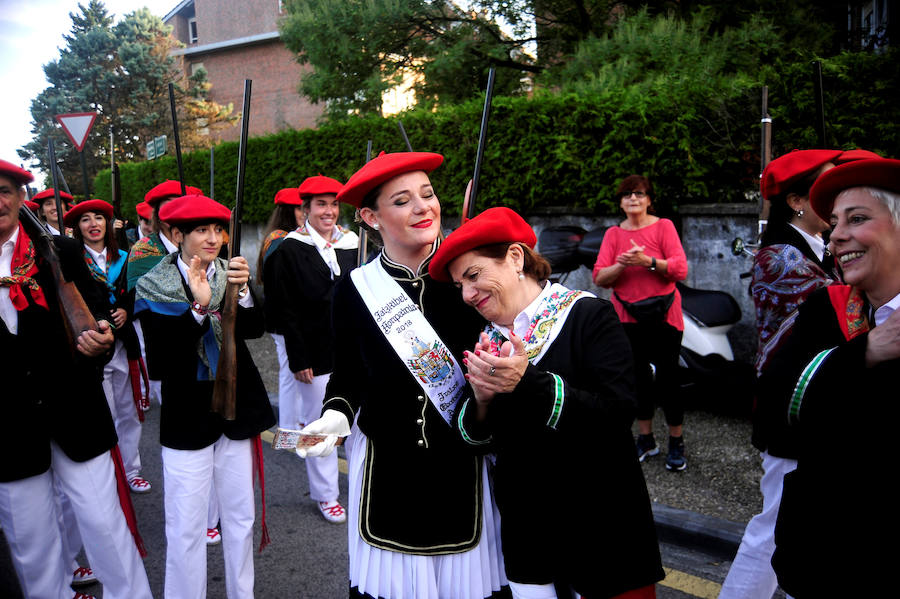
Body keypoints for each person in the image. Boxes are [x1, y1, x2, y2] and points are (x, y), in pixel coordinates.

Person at [299, 152, 508, 599]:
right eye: (403, 200)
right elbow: (348, 374)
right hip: (386, 471)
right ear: (371, 217)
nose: (423, 208)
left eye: (428, 195)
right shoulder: (354, 291)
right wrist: (335, 417)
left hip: (462, 466)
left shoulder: (467, 279)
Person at [429, 207, 664, 599]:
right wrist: (483, 400)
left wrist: (529, 382)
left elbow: (618, 411)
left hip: (602, 524)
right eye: (460, 287)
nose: (468, 295)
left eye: (473, 276)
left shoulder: (589, 315)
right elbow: (474, 439)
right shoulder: (485, 339)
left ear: (516, 258)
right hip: (527, 531)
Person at [0, 159, 152, 599]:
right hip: (9, 430)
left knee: (105, 525)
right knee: (32, 547)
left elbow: (97, 309)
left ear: (22, 197)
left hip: (76, 410)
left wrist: (102, 336)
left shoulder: (60, 252)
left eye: (6, 190)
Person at [756, 157, 900, 597]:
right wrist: (864, 353)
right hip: (828, 560)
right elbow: (774, 409)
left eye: (856, 219)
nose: (836, 235)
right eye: (835, 221)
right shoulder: (826, 309)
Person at [135, 193, 275, 599]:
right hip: (186, 413)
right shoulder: (153, 283)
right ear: (175, 234)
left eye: (218, 229)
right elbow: (160, 361)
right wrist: (197, 310)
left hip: (236, 407)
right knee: (186, 524)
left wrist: (244, 293)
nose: (213, 238)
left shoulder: (229, 273)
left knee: (240, 516)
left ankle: (242, 593)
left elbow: (253, 331)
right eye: (201, 230)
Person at [262, 176, 357, 523]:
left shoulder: (353, 243)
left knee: (357, 426)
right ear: (305, 210)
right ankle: (326, 494)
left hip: (350, 347)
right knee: (322, 426)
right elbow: (285, 309)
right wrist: (298, 358)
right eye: (321, 204)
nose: (329, 211)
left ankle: (361, 487)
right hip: (313, 351)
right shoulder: (289, 248)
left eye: (334, 204)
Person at [592, 175, 689, 470]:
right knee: (637, 380)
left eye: (639, 193)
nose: (633, 199)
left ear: (649, 199)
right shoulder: (613, 235)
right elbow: (599, 277)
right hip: (627, 317)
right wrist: (622, 263)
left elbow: (680, 269)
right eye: (627, 195)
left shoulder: (664, 227)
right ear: (621, 202)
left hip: (664, 316)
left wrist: (647, 261)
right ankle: (646, 438)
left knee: (670, 380)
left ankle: (676, 440)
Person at [65, 199, 151, 493]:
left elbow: (136, 292)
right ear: (77, 228)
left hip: (124, 345)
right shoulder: (72, 259)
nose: (93, 224)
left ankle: (131, 469)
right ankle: (111, 472)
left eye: (99, 218)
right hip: (95, 346)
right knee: (107, 412)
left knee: (129, 411)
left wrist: (127, 309)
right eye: (85, 219)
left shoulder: (125, 258)